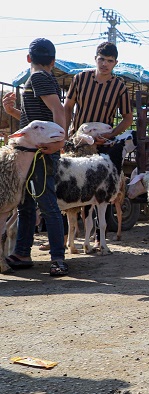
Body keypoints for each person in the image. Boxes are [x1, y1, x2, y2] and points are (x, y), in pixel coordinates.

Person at [1, 38, 68, 276]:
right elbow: (35, 123)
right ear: (53, 60)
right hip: (33, 152)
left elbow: (58, 111)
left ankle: (58, 258)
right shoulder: (45, 79)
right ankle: (21, 252)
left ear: (29, 58)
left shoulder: (38, 78)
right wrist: (13, 112)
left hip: (41, 153)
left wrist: (60, 141)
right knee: (26, 204)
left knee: (46, 203)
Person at [62, 41, 132, 249]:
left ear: (115, 63)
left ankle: (95, 238)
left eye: (110, 61)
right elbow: (68, 107)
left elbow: (128, 118)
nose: (105, 64)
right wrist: (66, 135)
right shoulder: (80, 79)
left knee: (100, 191)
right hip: (78, 143)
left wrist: (111, 135)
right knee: (70, 187)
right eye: (101, 59)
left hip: (102, 145)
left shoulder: (119, 87)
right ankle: (68, 237)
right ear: (95, 59)